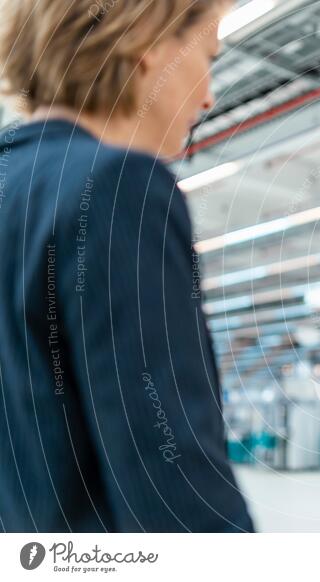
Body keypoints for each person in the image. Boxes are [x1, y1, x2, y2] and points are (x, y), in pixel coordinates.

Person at [0, 0, 253, 532]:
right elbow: (168, 472)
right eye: (206, 57)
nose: (207, 96)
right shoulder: (119, 188)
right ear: (149, 43)